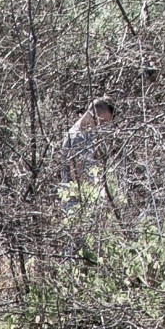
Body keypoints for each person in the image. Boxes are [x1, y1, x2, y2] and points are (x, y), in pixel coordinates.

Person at [58, 98, 115, 259]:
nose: (101, 126)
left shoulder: (86, 135)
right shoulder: (76, 136)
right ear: (94, 114)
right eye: (102, 121)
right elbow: (78, 173)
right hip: (76, 201)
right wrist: (97, 194)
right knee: (75, 245)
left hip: (85, 198)